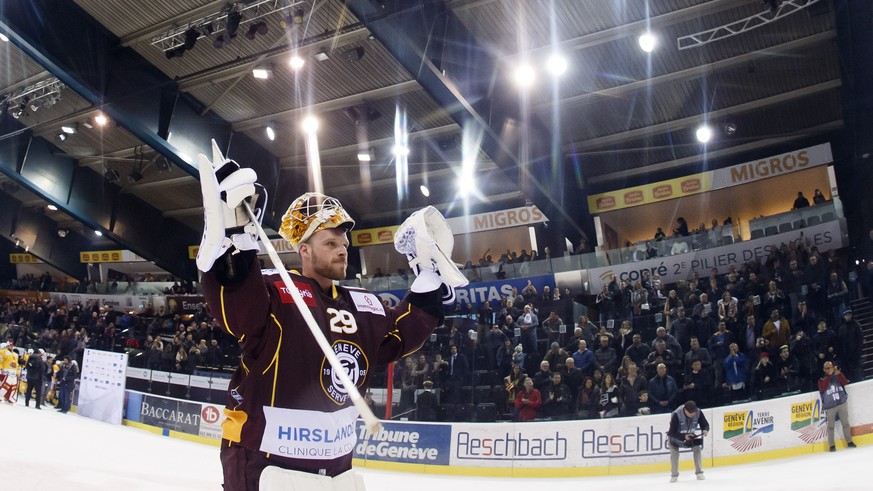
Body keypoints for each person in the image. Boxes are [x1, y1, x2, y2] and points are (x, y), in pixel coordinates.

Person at [195, 146, 466, 490]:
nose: (342, 249)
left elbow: (397, 336)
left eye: (344, 242)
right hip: (266, 464)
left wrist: (428, 281)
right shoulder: (276, 291)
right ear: (303, 249)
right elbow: (238, 312)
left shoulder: (364, 304)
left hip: (336, 470)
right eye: (330, 242)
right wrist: (234, 244)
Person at [817, 362, 856, 452]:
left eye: (831, 367)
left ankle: (849, 441)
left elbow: (845, 382)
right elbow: (823, 388)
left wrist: (839, 374)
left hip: (841, 403)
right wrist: (829, 376)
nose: (829, 369)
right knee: (830, 426)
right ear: (824, 369)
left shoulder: (837, 375)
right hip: (830, 406)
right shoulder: (821, 379)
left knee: (845, 423)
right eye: (827, 368)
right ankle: (832, 445)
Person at [667, 401, 710, 482]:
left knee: (697, 449)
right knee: (674, 454)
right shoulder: (676, 414)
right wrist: (684, 436)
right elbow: (671, 432)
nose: (692, 415)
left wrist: (705, 430)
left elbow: (705, 424)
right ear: (685, 410)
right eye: (690, 413)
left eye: (693, 413)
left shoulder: (698, 412)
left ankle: (699, 472)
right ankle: (674, 475)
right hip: (675, 438)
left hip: (690, 437)